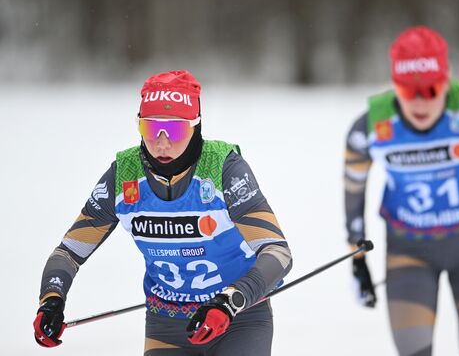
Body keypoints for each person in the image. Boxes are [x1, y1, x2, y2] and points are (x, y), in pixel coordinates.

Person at [33, 70, 292, 355]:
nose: (162, 142)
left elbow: (277, 253)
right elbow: (68, 252)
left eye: (176, 130)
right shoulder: (123, 176)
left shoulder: (224, 170)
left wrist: (230, 300)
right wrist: (51, 300)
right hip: (167, 325)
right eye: (151, 129)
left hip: (238, 319)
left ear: (196, 127)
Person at [344, 26, 459, 356]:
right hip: (408, 251)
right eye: (408, 90)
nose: (419, 102)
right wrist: (358, 261)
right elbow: (353, 191)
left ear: (446, 82)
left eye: (430, 90)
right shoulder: (371, 125)